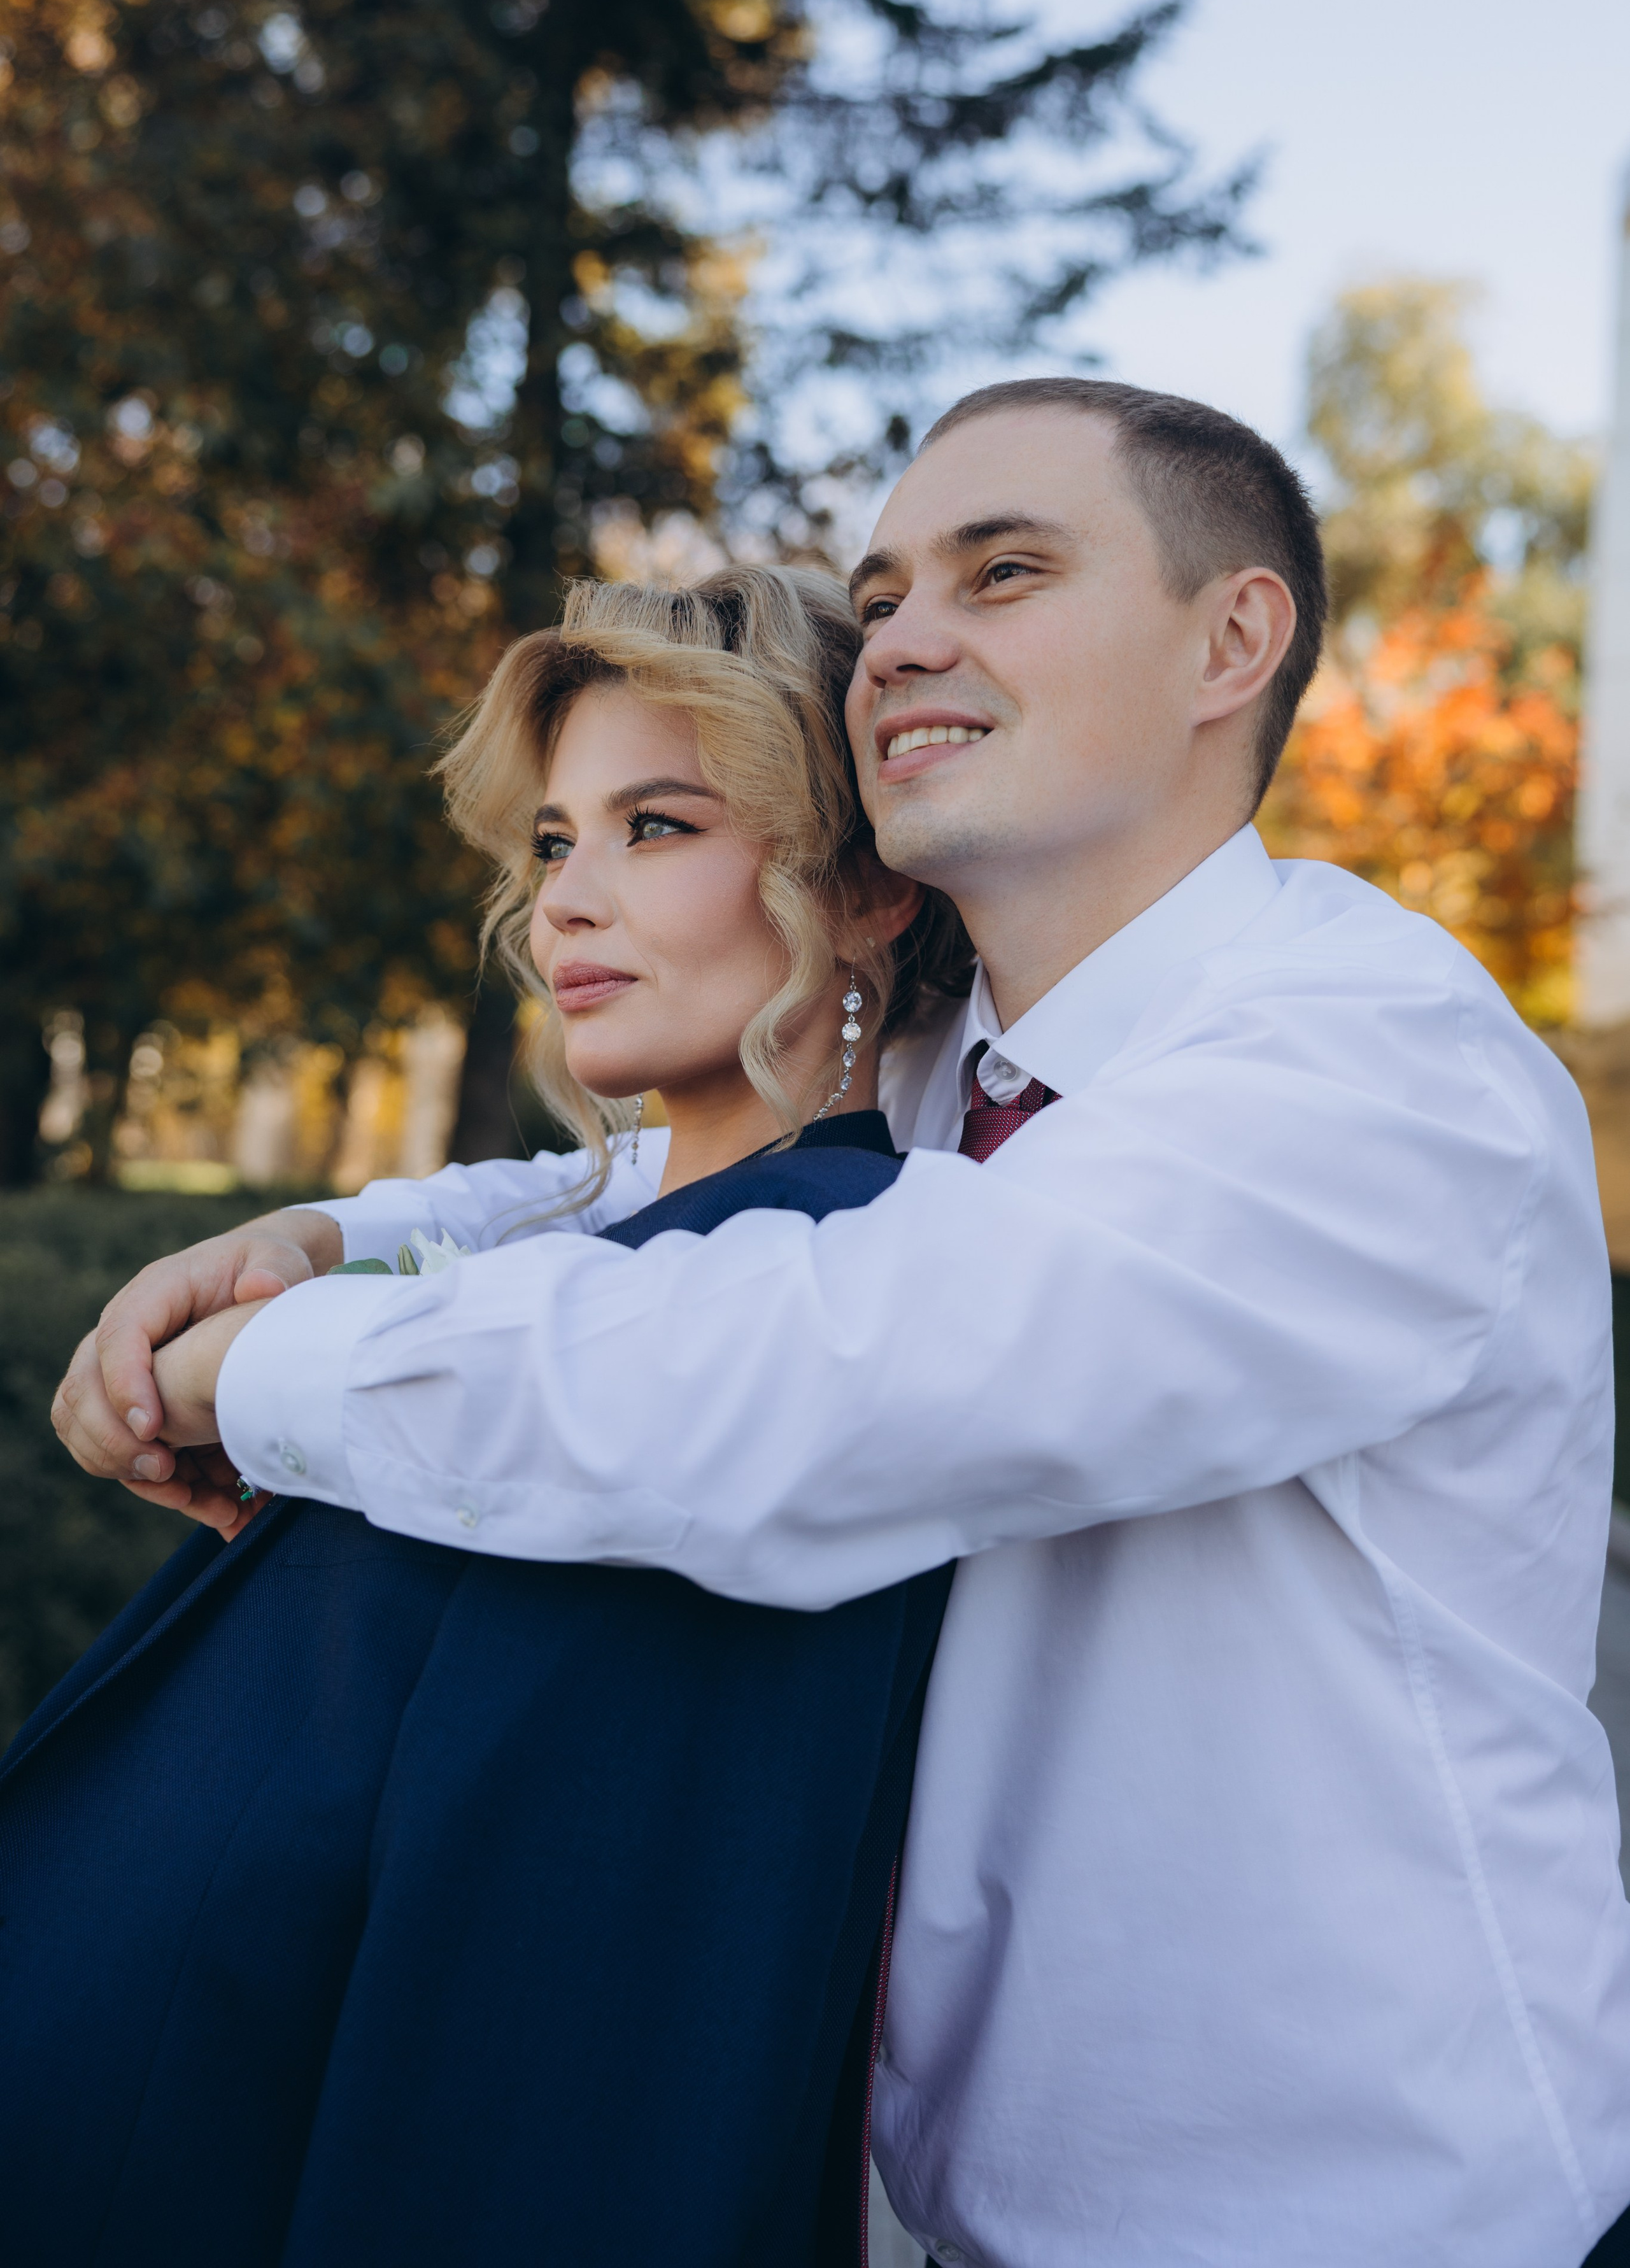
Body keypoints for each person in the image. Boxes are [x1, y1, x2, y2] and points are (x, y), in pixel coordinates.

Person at [60, 379, 1630, 2268]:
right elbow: (659, 1187)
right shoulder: (966, 1078)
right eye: (882, 599)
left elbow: (821, 1374)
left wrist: (271, 1371)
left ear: (1235, 638)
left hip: (1370, 2219)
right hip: (973, 2219)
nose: (906, 643)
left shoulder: (1377, 1066)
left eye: (1008, 571)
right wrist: (328, 1235)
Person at [7, 565, 969, 2268]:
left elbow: (581, 2028)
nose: (566, 904)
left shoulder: (784, 1321)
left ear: (866, 887)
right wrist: (322, 1242)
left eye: (656, 826)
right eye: (551, 842)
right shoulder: (606, 1247)